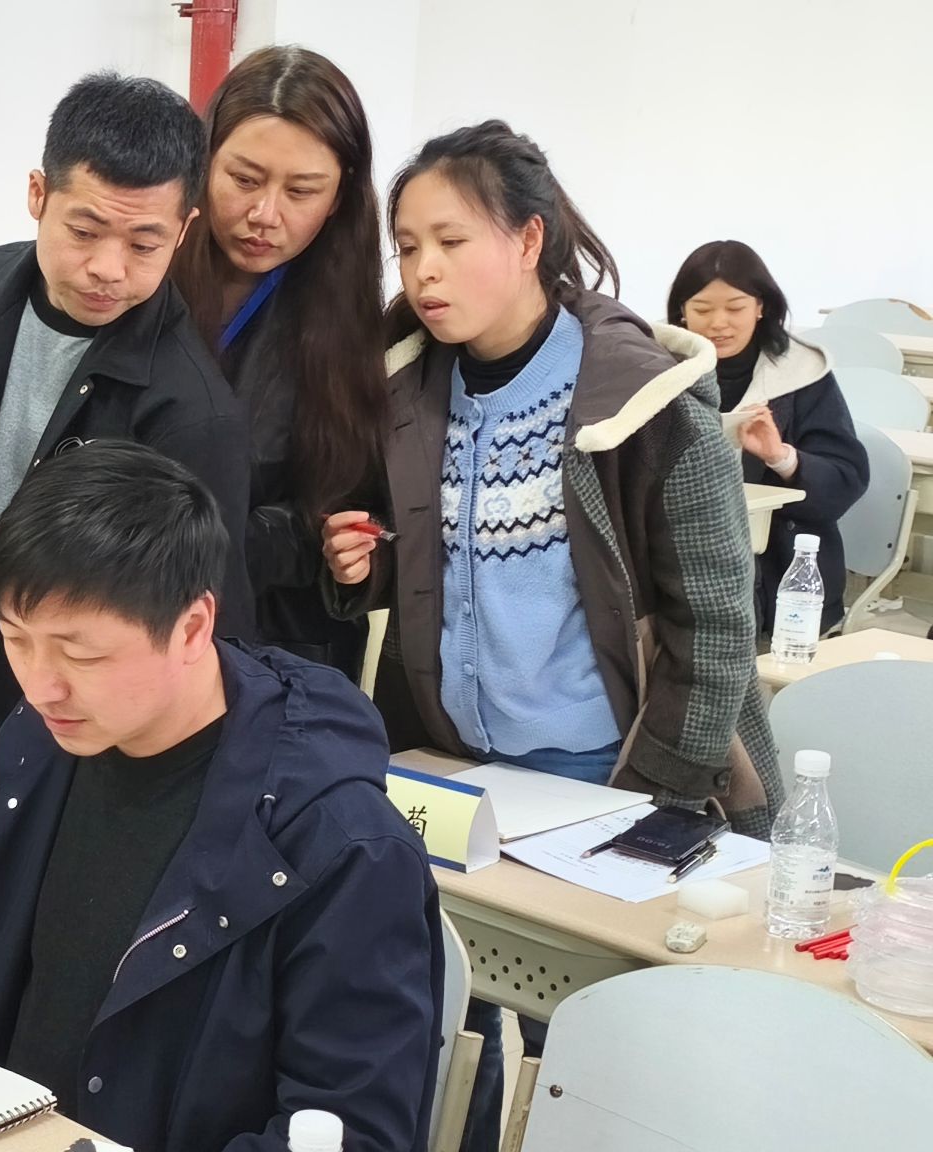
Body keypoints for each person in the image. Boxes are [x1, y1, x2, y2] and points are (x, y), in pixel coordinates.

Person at [320, 121, 783, 1152]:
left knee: (602, 1062)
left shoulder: (643, 399)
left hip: (608, 786)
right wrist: (365, 563)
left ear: (528, 239)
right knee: (462, 1020)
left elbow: (715, 625)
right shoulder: (411, 388)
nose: (423, 271)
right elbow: (437, 559)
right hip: (467, 780)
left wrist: (650, 802)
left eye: (451, 241)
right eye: (407, 247)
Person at [0, 441, 441, 1152]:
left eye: (82, 654)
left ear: (193, 627)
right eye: (16, 640)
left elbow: (357, 1133)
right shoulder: (45, 744)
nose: (41, 685)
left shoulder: (338, 844)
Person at [0, 70, 249, 1034]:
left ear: (183, 232)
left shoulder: (192, 414)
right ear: (37, 194)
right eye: (85, 228)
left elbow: (203, 645)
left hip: (57, 763)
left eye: (144, 244)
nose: (108, 267)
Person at [170, 45, 385, 678]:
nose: (265, 215)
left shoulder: (355, 328)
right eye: (244, 180)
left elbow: (350, 504)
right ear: (204, 161)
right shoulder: (147, 281)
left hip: (281, 651)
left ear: (339, 195)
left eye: (301, 191)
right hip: (133, 620)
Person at [668, 240, 870, 635]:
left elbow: (846, 480)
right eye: (702, 310)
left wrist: (782, 458)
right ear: (682, 312)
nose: (718, 323)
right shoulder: (655, 368)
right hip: (681, 569)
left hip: (781, 573)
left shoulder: (802, 373)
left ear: (761, 307)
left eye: (735, 308)